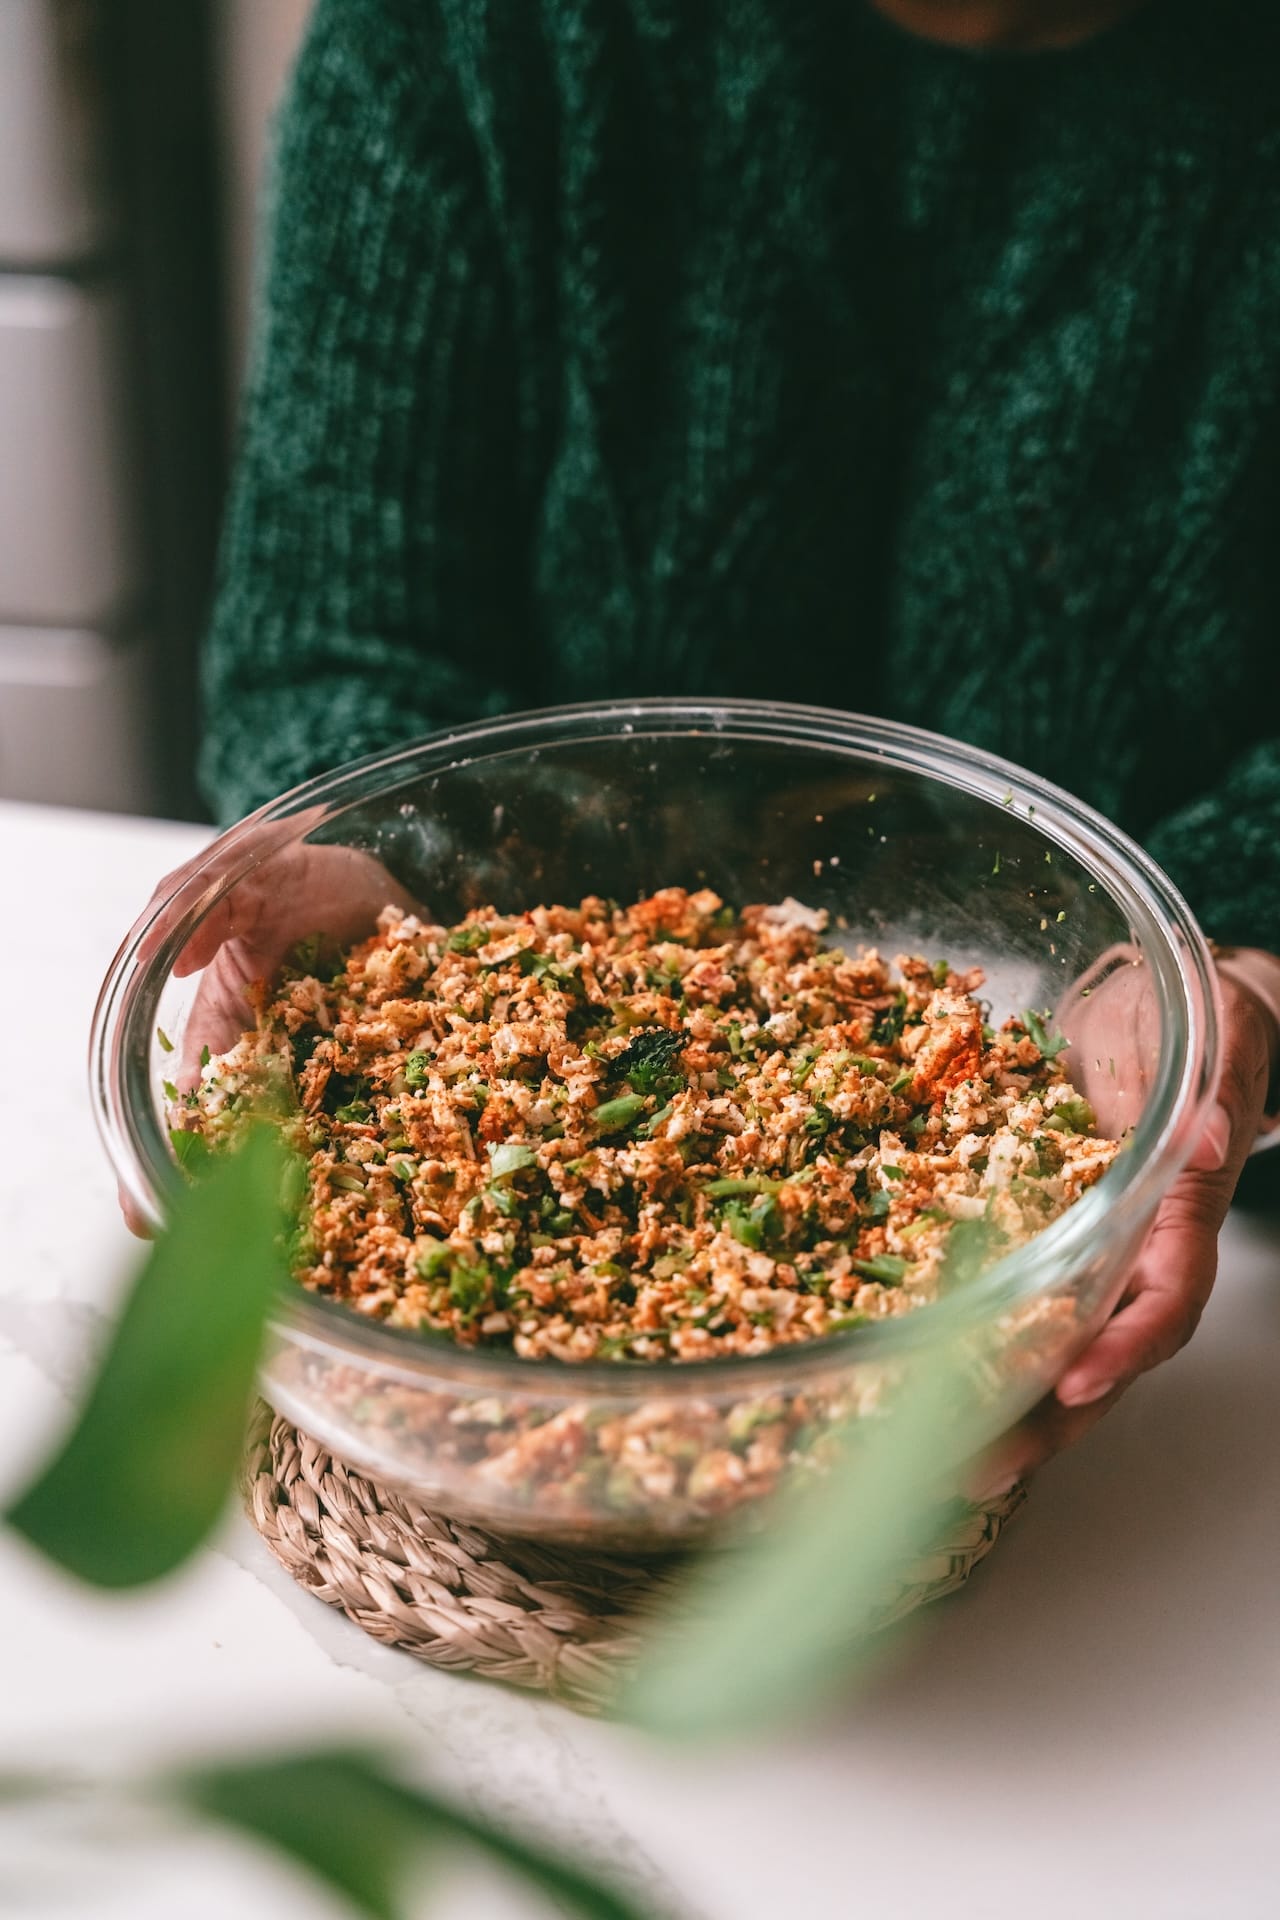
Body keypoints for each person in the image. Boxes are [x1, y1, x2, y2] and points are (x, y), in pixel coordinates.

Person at [143, 0, 1280, 1478]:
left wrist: (1235, 953)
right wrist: (379, 877)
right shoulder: (470, 39)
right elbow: (333, 650)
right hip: (501, 1019)